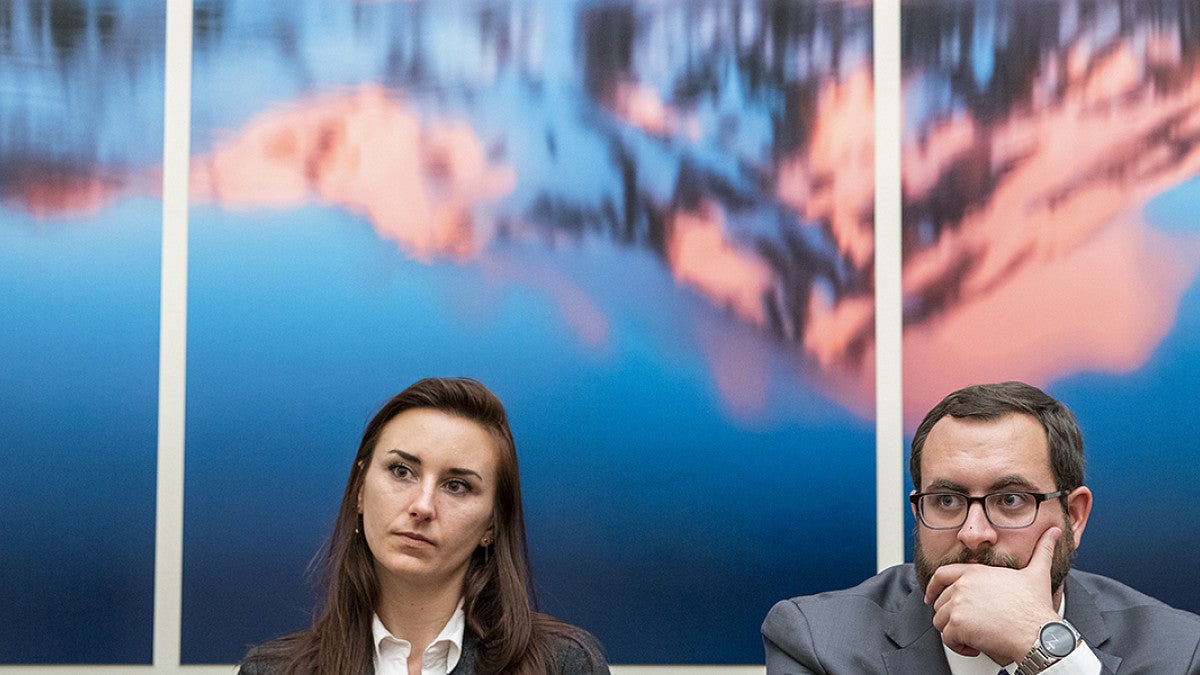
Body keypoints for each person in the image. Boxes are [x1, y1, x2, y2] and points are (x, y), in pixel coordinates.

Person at [762, 381, 1200, 674]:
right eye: (947, 501)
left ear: (1074, 516)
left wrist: (1044, 651)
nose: (974, 533)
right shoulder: (818, 644)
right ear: (918, 514)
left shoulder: (1180, 652)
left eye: (1011, 500)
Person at [239, 377, 609, 675]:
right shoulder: (271, 671)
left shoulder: (563, 665)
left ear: (492, 525)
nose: (422, 506)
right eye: (402, 472)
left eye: (457, 486)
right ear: (360, 492)